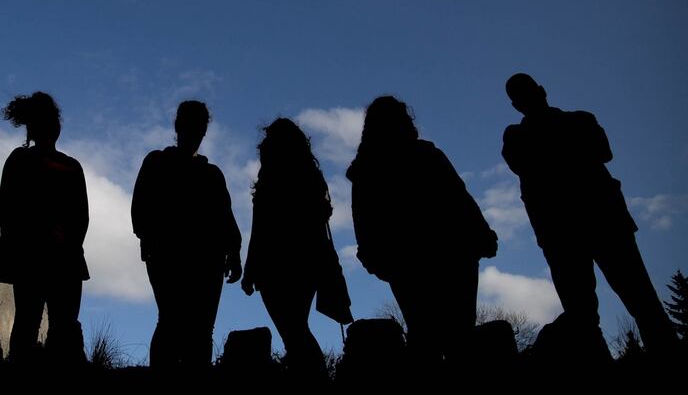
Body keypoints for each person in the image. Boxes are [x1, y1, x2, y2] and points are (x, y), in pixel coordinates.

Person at [502, 73, 678, 358]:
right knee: (585, 315)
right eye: (522, 96)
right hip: (566, 232)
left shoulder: (577, 121)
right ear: (518, 104)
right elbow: (522, 163)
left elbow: (602, 152)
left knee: (640, 302)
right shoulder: (519, 136)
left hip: (597, 224)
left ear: (540, 92)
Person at [346, 96, 497, 363]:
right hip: (451, 252)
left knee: (425, 332)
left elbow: (363, 221)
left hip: (410, 260)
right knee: (458, 333)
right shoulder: (426, 156)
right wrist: (481, 234)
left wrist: (374, 257)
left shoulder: (366, 170)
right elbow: (459, 198)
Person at [131, 100, 242, 370]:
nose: (197, 133)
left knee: (200, 328)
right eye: (193, 126)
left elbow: (226, 218)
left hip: (207, 261)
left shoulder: (212, 174)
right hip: (169, 256)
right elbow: (140, 210)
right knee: (172, 320)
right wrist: (152, 241)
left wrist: (235, 252)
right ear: (178, 126)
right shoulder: (157, 162)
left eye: (201, 127)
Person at [0, 92, 89, 366]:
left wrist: (65, 242)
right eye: (50, 121)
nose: (55, 126)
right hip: (36, 257)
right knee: (32, 323)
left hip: (59, 258)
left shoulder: (68, 166)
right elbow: (10, 212)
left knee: (53, 325)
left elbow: (81, 218)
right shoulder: (24, 161)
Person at [241, 117, 332, 377]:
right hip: (306, 263)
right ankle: (311, 377)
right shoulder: (310, 179)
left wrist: (250, 270)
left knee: (293, 330)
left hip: (274, 266)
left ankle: (313, 378)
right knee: (295, 329)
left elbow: (260, 230)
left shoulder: (270, 181)